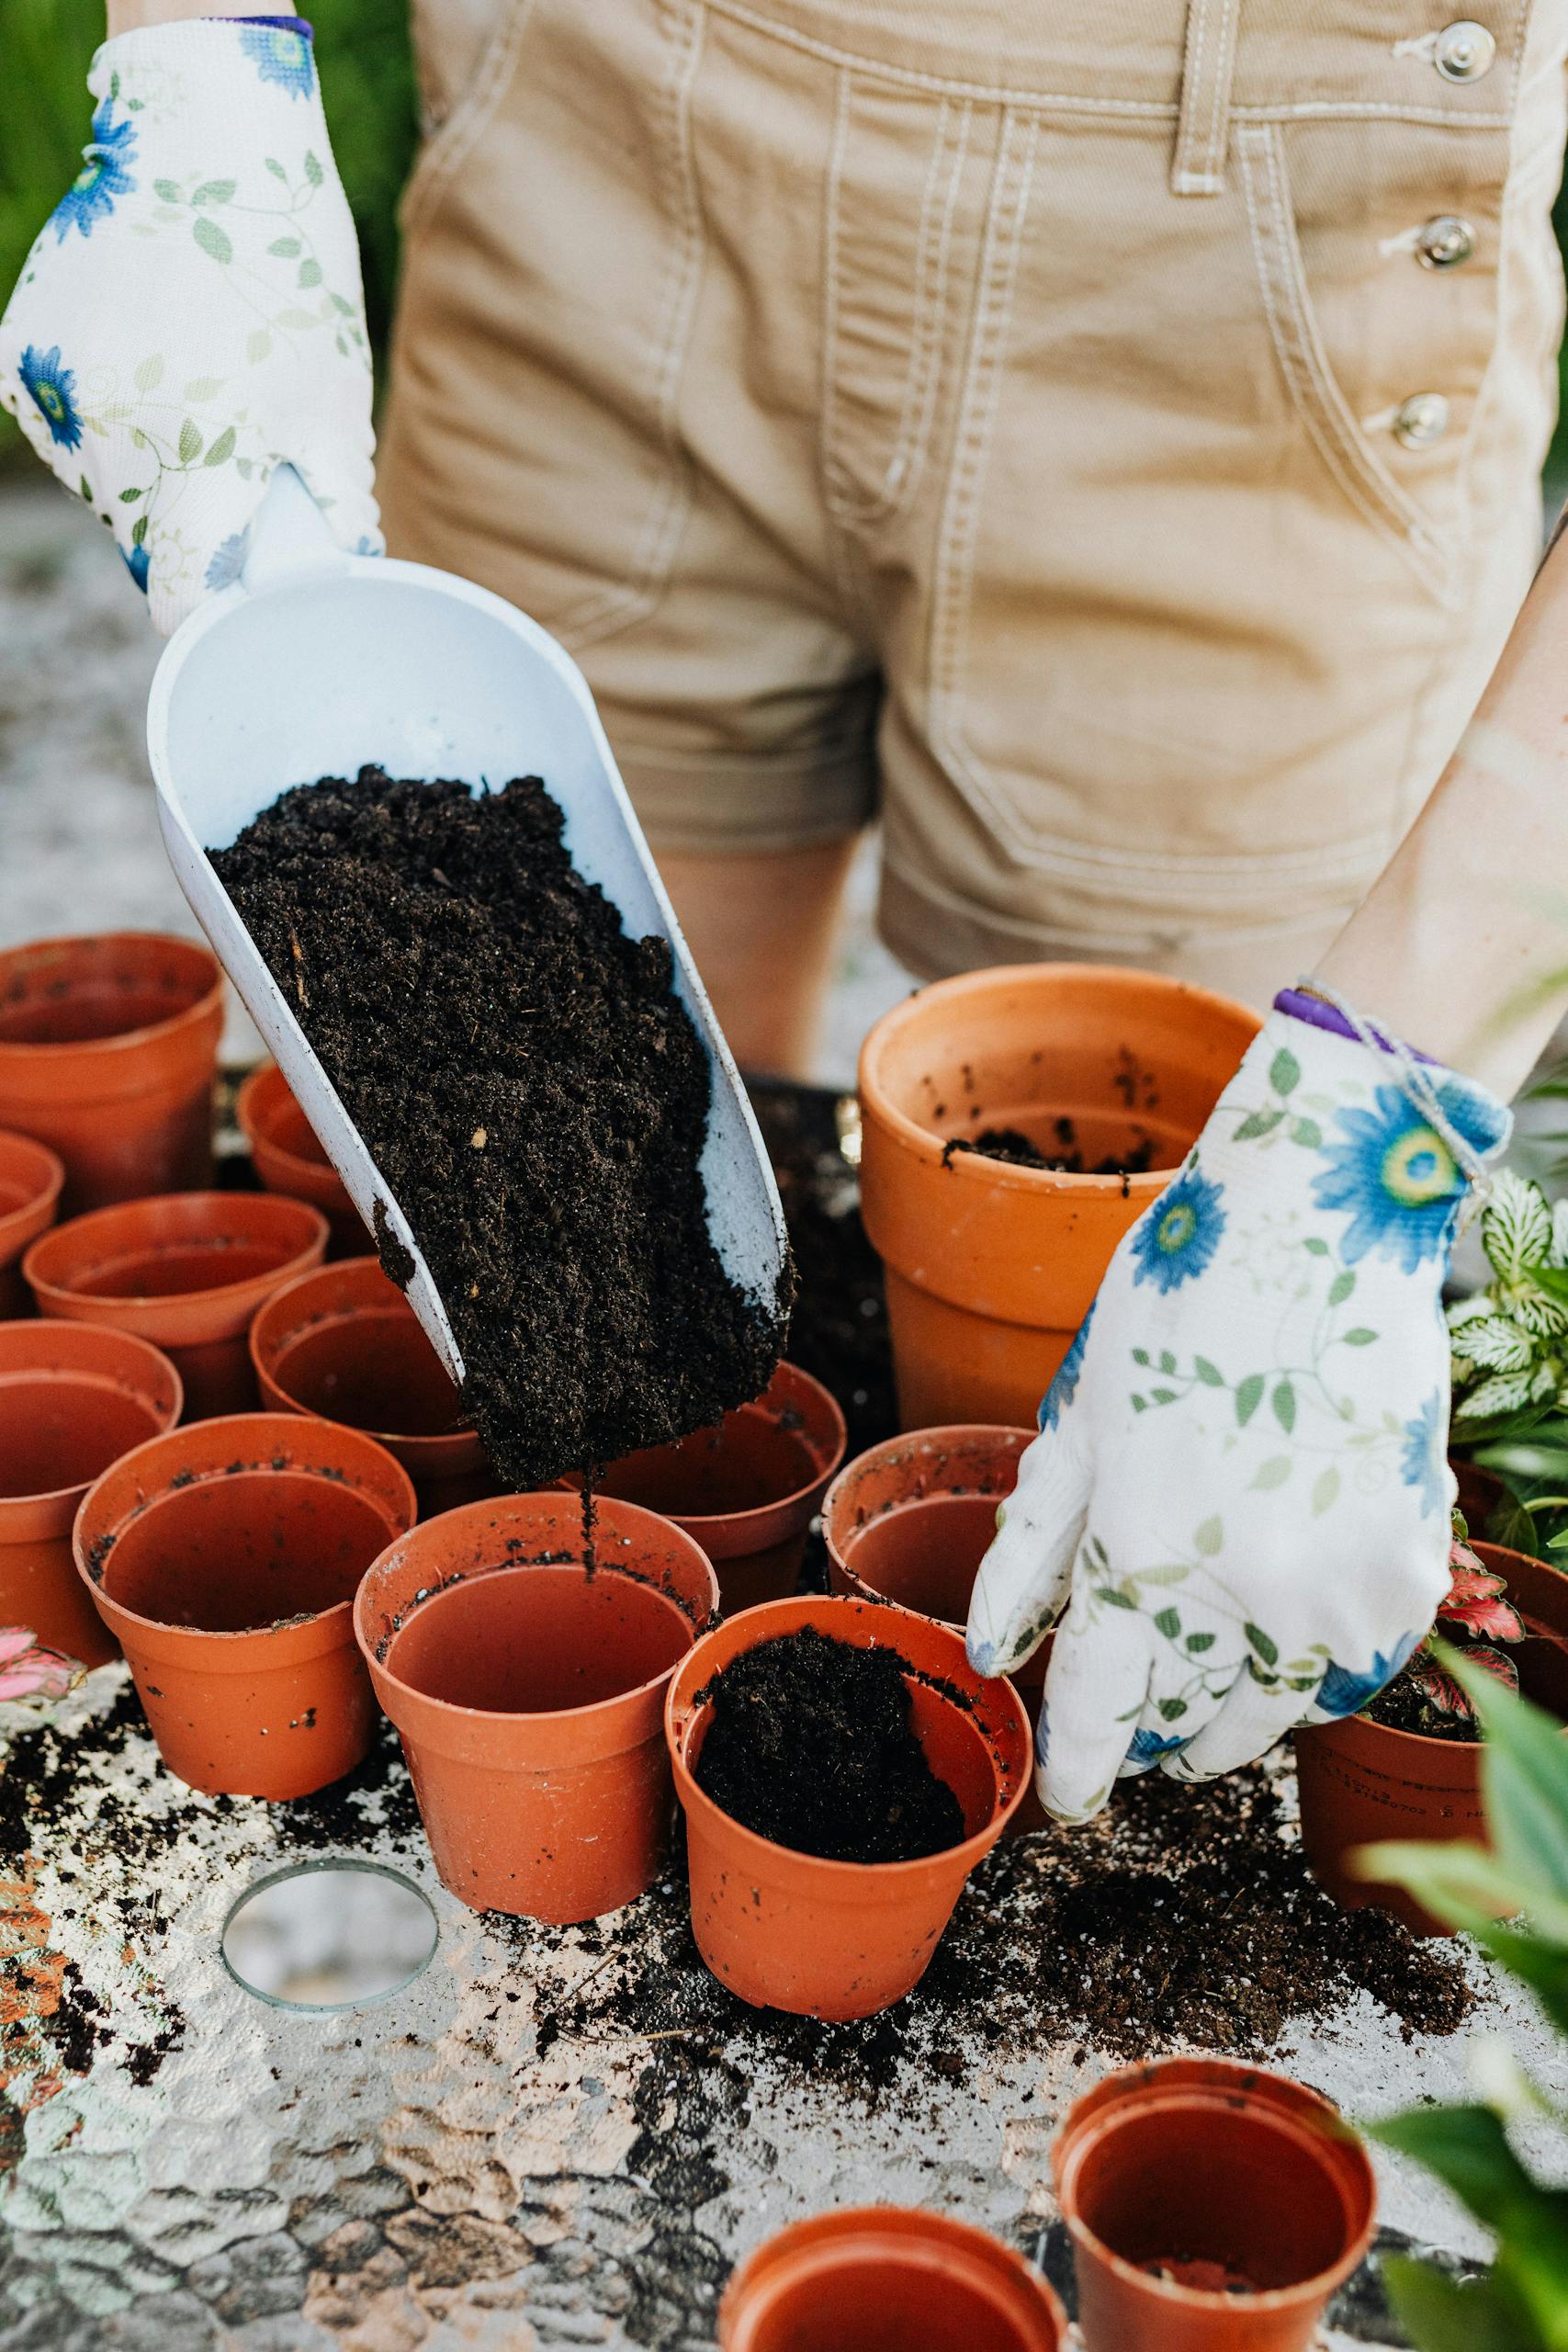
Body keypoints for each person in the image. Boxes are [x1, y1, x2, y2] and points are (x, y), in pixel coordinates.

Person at [5, 0, 1568, 1818]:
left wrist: (1374, 1101)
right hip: (602, 128)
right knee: (600, 1111)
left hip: (1262, 269)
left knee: (1148, 1394)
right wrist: (196, 52)